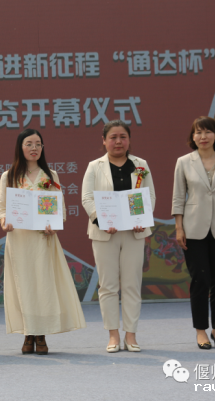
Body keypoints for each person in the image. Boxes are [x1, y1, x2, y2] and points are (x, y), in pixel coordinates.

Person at [0, 128, 86, 355]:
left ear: (43, 148)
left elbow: (60, 209)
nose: (34, 148)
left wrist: (54, 224)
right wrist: (5, 222)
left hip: (43, 239)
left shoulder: (50, 175)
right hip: (19, 240)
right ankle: (28, 333)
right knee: (24, 285)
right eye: (29, 144)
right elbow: (2, 209)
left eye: (38, 144)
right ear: (20, 147)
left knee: (43, 286)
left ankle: (41, 334)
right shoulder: (8, 176)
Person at [81, 120, 156, 353]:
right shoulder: (95, 166)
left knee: (132, 284)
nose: (118, 141)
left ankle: (131, 335)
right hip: (105, 234)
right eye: (113, 137)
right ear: (104, 141)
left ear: (129, 140)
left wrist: (142, 218)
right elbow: (87, 198)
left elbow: (149, 196)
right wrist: (101, 220)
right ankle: (113, 335)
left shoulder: (140, 165)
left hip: (134, 233)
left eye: (123, 137)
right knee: (108, 286)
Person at [172, 116, 215, 350]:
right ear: (193, 137)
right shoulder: (184, 162)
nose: (203, 136)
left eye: (207, 132)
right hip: (194, 229)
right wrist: (179, 227)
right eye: (198, 132)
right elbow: (178, 197)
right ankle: (201, 331)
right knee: (200, 281)